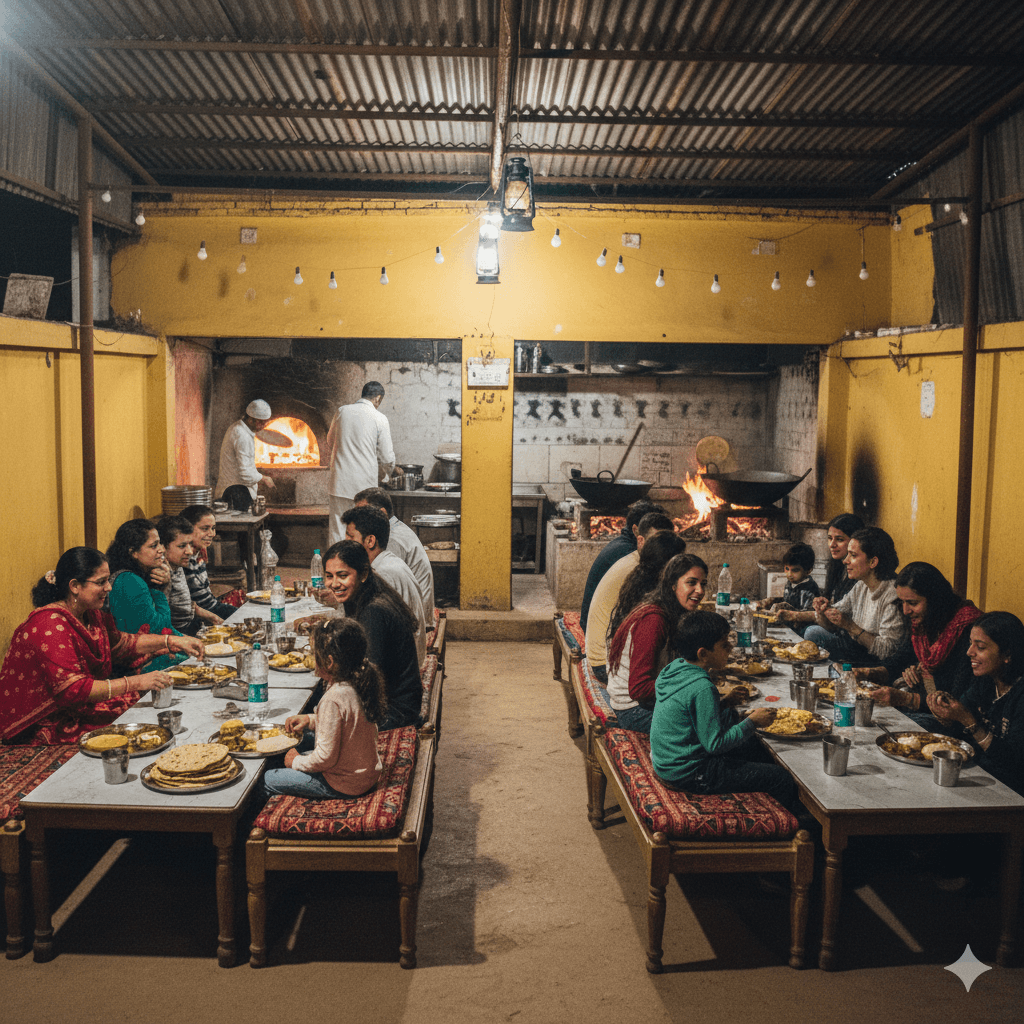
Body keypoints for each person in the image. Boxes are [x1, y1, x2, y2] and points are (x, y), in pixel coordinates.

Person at [0, 547, 201, 745]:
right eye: (101, 582)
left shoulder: (91, 613)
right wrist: (137, 682)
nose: (109, 588)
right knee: (133, 720)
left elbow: (123, 643)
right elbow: (73, 689)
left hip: (75, 704)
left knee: (141, 708)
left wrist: (173, 641)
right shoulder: (50, 625)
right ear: (75, 586)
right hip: (44, 718)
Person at [651, 610, 798, 812]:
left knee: (753, 747)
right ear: (703, 653)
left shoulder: (674, 668)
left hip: (667, 763)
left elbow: (689, 711)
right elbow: (715, 744)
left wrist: (724, 703)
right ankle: (783, 825)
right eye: (723, 644)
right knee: (780, 778)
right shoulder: (702, 687)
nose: (731, 647)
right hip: (691, 772)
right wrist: (752, 722)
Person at [262, 618, 386, 799]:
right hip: (363, 775)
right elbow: (346, 721)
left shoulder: (333, 698)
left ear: (329, 661)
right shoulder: (356, 681)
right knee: (301, 746)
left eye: (314, 653)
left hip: (341, 784)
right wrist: (310, 720)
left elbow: (324, 759)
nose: (312, 658)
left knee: (266, 779)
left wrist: (294, 762)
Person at [318, 540, 422, 730]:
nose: (334, 584)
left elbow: (366, 676)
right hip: (394, 704)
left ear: (364, 574)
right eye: (329, 576)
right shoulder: (368, 595)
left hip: (396, 712)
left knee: (301, 741)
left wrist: (317, 720)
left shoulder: (374, 612)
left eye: (342, 575)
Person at [605, 551, 705, 734]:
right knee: (712, 725)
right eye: (691, 583)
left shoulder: (668, 610)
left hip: (642, 704)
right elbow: (639, 689)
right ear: (673, 585)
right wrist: (689, 684)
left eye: (703, 584)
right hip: (634, 710)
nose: (700, 591)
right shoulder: (654, 620)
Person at [926, 612, 1024, 796]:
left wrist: (968, 721)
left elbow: (1013, 763)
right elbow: (959, 723)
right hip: (982, 774)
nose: (969, 652)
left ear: (1007, 654)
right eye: (971, 644)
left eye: (980, 647)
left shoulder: (1019, 694)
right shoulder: (986, 680)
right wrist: (945, 709)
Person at [869, 563, 981, 719]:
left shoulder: (967, 629)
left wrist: (908, 697)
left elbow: (957, 698)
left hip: (953, 718)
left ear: (935, 599)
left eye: (913, 603)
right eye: (902, 602)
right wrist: (868, 673)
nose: (905, 611)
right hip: (926, 703)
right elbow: (902, 658)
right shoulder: (927, 621)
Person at [585, 512, 678, 683]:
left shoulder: (637, 562)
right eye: (656, 542)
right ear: (641, 540)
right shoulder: (641, 571)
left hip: (601, 655)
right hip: (603, 664)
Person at [803, 527, 906, 667]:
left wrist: (850, 626)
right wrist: (823, 611)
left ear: (873, 562)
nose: (845, 561)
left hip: (872, 663)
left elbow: (886, 651)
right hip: (853, 651)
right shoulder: (861, 586)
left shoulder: (892, 595)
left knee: (812, 635)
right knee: (812, 632)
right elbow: (832, 625)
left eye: (853, 555)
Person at [342, 504, 427, 665]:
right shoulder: (389, 561)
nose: (346, 543)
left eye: (351, 537)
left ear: (370, 541)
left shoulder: (383, 573)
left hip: (402, 669)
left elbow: (373, 640)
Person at [106, 519, 191, 671]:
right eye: (153, 546)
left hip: (147, 652)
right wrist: (160, 588)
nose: (161, 550)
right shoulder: (129, 582)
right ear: (134, 553)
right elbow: (159, 628)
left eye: (159, 543)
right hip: (133, 666)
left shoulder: (138, 576)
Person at [326, 382, 398, 545]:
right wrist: (387, 474)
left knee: (338, 530)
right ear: (378, 398)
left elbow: (330, 441)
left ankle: (335, 568)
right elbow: (387, 457)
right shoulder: (380, 418)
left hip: (339, 482)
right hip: (364, 486)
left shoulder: (342, 411)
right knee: (362, 530)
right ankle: (359, 568)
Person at [579, 498, 666, 631]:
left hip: (591, 624)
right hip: (599, 634)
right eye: (657, 535)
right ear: (636, 530)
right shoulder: (631, 555)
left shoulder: (621, 544)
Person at [353, 486, 434, 622]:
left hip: (415, 620)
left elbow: (380, 590)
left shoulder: (391, 539)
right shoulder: (395, 528)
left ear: (382, 513)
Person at [778, 513, 863, 633]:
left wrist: (795, 615)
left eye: (839, 539)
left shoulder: (859, 574)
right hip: (831, 626)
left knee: (810, 631)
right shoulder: (836, 566)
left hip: (847, 635)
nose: (832, 545)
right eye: (829, 538)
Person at [180, 504, 239, 623]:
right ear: (187, 529)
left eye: (213, 528)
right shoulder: (182, 559)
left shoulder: (199, 554)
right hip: (199, 617)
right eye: (205, 528)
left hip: (213, 607)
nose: (212, 534)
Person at [217, 398, 276, 501]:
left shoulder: (237, 428)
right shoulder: (242, 436)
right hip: (234, 496)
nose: (263, 426)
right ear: (251, 419)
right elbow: (246, 475)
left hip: (233, 493)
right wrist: (264, 478)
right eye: (261, 423)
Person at [158, 515, 199, 636]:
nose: (190, 552)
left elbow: (185, 606)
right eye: (182, 546)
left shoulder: (178, 565)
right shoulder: (161, 573)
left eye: (190, 545)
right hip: (176, 633)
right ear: (163, 547)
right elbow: (162, 624)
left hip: (190, 626)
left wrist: (214, 618)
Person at [763, 543, 820, 612]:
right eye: (787, 568)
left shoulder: (809, 589)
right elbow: (787, 600)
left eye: (795, 570)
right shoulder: (791, 582)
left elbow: (808, 615)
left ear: (808, 571)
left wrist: (787, 609)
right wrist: (771, 600)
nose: (789, 574)